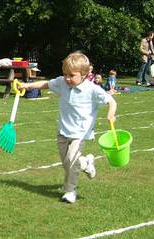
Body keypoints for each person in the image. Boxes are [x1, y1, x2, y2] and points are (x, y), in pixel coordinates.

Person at [20, 52, 117, 203]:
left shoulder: (92, 89)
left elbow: (111, 101)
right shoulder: (62, 83)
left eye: (72, 75)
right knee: (67, 163)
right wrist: (27, 85)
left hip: (80, 133)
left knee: (71, 160)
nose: (67, 78)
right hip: (63, 131)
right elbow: (46, 84)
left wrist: (111, 114)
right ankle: (86, 163)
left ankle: (70, 190)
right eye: (65, 74)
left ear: (84, 74)